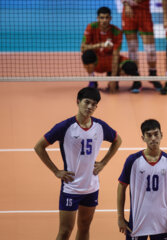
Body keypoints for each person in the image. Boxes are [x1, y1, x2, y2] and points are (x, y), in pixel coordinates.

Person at [34, 87, 122, 240]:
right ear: (77, 102)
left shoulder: (100, 126)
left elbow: (117, 140)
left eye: (93, 104)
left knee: (84, 227)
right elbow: (39, 146)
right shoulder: (64, 127)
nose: (89, 107)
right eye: (86, 102)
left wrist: (103, 163)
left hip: (91, 187)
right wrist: (56, 171)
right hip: (71, 187)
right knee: (65, 232)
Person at [117, 119, 167, 239]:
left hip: (161, 224)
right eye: (149, 135)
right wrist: (120, 217)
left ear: (161, 135)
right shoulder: (132, 161)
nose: (153, 138)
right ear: (143, 138)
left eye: (156, 134)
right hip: (136, 224)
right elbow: (121, 186)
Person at [81, 7, 125, 93]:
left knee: (130, 67)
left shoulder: (116, 31)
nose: (104, 20)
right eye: (102, 17)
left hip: (110, 60)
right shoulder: (91, 27)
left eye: (107, 17)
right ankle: (92, 80)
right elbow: (82, 47)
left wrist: (113, 78)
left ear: (110, 18)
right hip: (97, 59)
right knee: (86, 55)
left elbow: (116, 56)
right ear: (98, 18)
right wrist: (100, 45)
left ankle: (112, 80)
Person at [121, 0, 162, 93]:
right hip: (129, 13)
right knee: (132, 49)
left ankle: (153, 74)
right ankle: (136, 79)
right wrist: (126, 4)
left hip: (144, 13)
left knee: (151, 49)